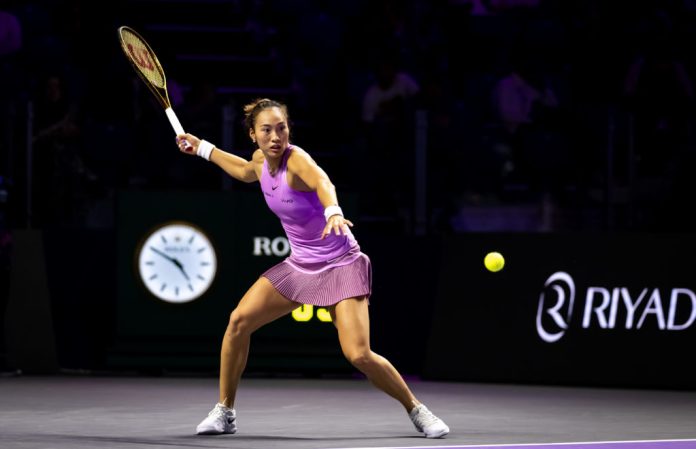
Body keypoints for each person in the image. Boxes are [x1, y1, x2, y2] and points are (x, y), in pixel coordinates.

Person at [175, 98, 449, 439]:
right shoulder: (260, 160)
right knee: (238, 322)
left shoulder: (297, 160)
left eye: (282, 128)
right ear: (253, 135)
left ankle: (417, 410)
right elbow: (245, 171)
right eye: (267, 130)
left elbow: (323, 182)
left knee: (359, 354)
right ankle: (225, 411)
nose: (276, 136)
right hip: (300, 265)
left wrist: (332, 210)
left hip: (341, 263)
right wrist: (202, 148)